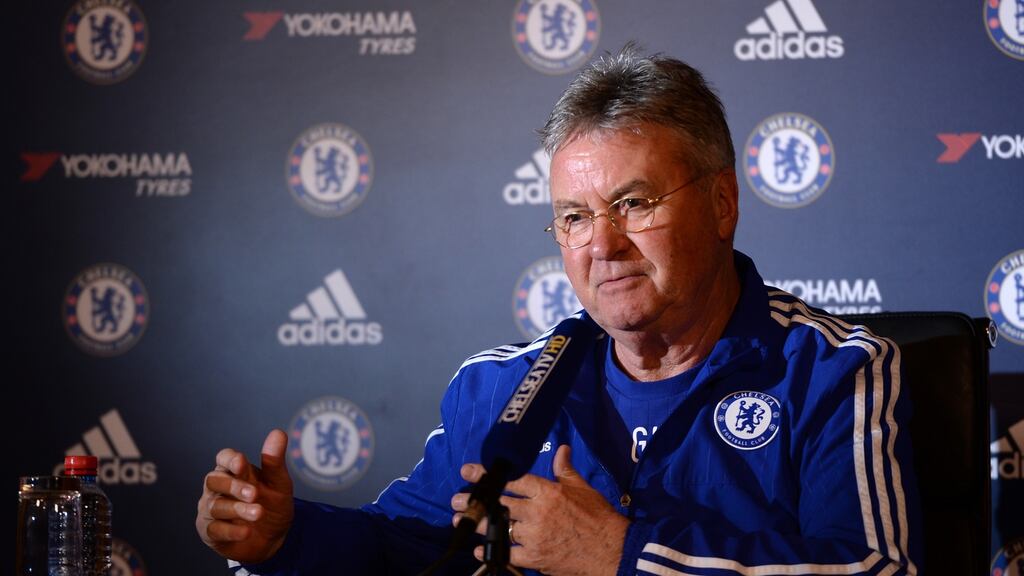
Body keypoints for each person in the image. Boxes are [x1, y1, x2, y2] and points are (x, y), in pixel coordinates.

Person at [197, 44, 921, 575]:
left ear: (723, 203)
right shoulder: (503, 388)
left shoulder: (839, 373)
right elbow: (408, 547)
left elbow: (878, 573)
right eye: (573, 217)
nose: (600, 244)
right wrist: (286, 538)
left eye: (632, 204)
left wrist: (625, 556)